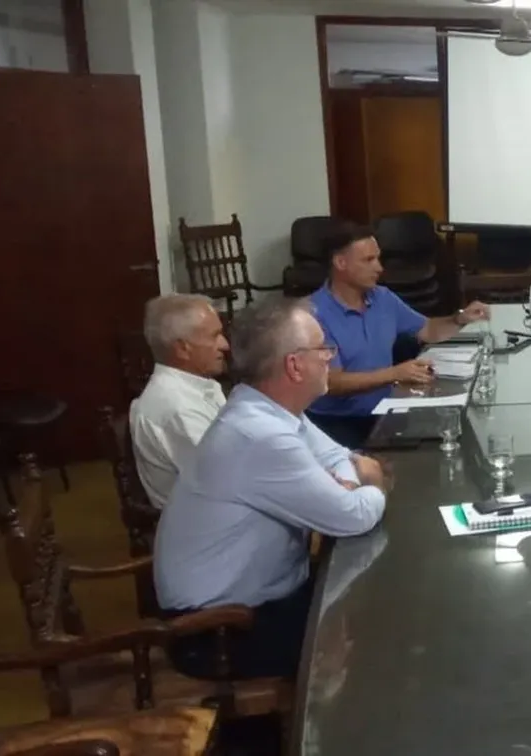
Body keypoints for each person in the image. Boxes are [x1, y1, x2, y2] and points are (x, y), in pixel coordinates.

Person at [154, 296, 389, 680]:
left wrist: (346, 479)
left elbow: (337, 455)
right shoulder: (259, 433)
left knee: (371, 603)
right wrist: (372, 481)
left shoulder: (268, 409)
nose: (330, 357)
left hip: (261, 599)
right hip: (218, 630)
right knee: (375, 632)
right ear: (295, 365)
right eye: (323, 348)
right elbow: (353, 516)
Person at [308, 220, 490, 448]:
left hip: (387, 410)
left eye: (378, 258)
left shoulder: (382, 297)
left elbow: (428, 330)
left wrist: (459, 318)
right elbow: (330, 381)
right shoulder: (314, 314)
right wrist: (395, 373)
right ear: (340, 263)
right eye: (368, 260)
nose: (379, 268)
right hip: (339, 424)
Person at [129, 294, 229, 509]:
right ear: (183, 348)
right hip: (204, 526)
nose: (225, 345)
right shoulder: (177, 408)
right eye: (215, 336)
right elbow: (228, 481)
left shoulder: (197, 384)